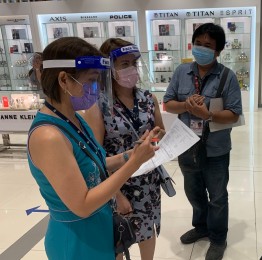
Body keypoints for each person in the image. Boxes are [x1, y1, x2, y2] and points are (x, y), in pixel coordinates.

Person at [27, 37, 158, 259]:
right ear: (64, 80)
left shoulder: (74, 119)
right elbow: (83, 204)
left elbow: (93, 164)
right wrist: (134, 163)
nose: (96, 89)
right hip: (77, 241)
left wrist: (131, 154)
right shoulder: (48, 136)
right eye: (91, 81)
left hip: (99, 228)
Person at [163, 23, 242, 260]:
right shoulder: (181, 72)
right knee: (193, 190)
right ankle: (201, 227)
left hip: (215, 147)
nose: (201, 49)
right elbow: (168, 103)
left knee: (217, 195)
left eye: (208, 45)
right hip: (186, 145)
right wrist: (187, 105)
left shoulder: (227, 77)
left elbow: (234, 113)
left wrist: (207, 114)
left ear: (218, 51)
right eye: (198, 43)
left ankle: (218, 238)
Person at [82, 38, 165, 260]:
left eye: (133, 63)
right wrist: (117, 195)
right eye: (124, 64)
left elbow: (160, 134)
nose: (131, 69)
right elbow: (96, 156)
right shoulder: (98, 105)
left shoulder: (148, 99)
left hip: (148, 181)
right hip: (117, 182)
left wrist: (155, 139)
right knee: (120, 237)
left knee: (147, 231)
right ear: (108, 68)